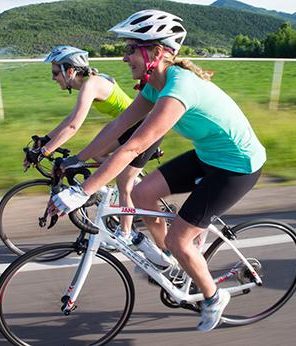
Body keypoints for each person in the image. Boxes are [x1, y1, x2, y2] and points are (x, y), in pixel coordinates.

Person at [48, 10, 266, 332]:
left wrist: (83, 191)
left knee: (181, 238)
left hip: (237, 166)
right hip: (209, 155)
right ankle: (171, 263)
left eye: (131, 49)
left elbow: (133, 146)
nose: (124, 57)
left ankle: (213, 295)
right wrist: (77, 159)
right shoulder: (155, 84)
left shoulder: (180, 88)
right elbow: (118, 125)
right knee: (141, 194)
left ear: (157, 51)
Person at [25, 45, 162, 245]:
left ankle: (125, 234)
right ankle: (120, 188)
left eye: (56, 72)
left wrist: (45, 151)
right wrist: (46, 140)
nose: (53, 78)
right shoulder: (89, 84)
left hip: (141, 128)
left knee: (124, 182)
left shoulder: (91, 85)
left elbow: (73, 126)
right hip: (127, 128)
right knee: (98, 156)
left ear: (70, 70)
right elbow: (70, 119)